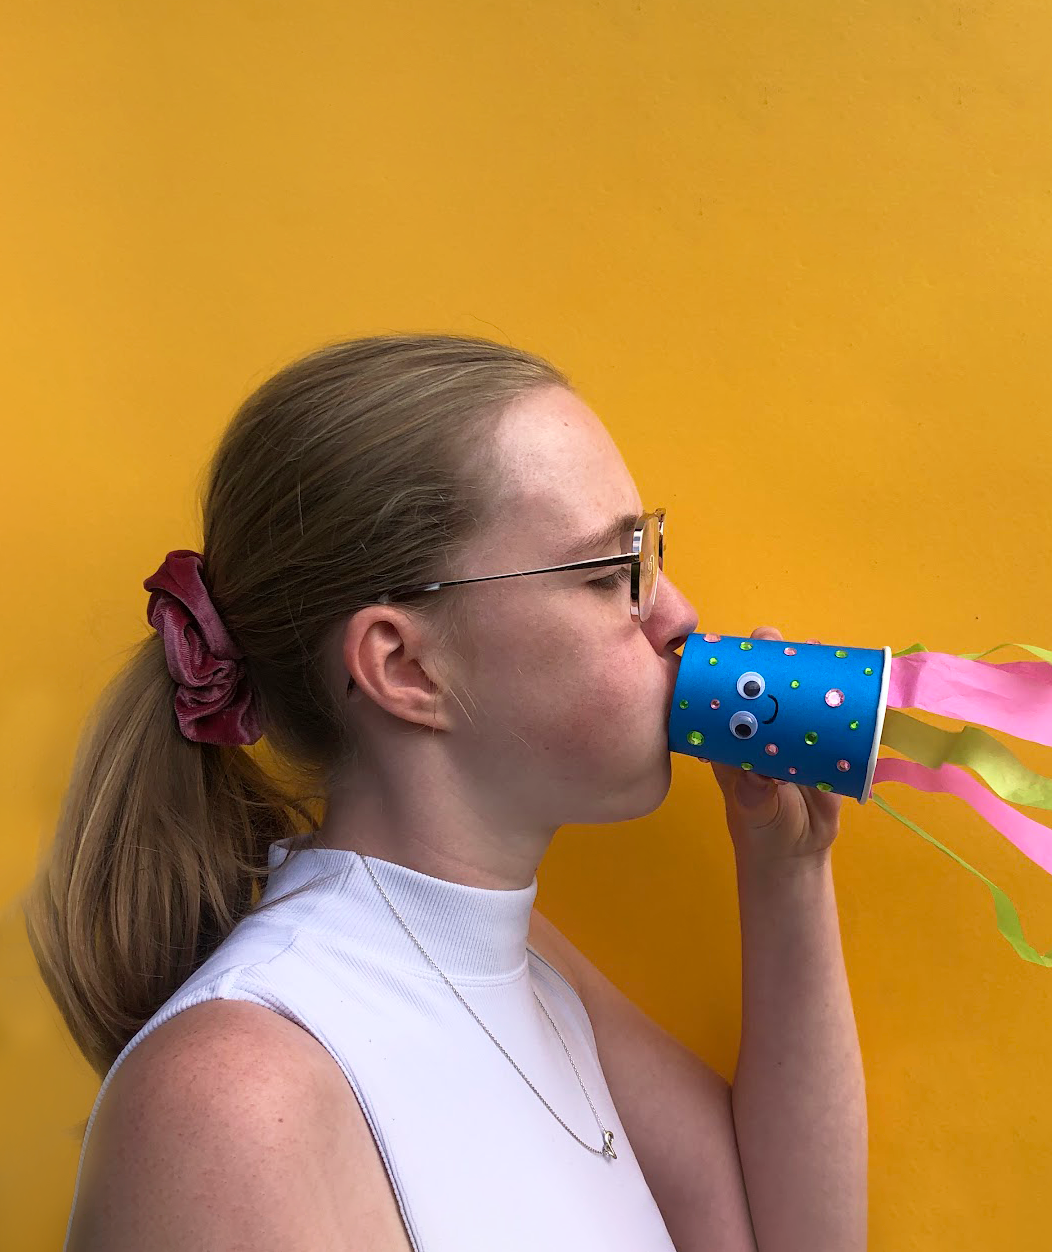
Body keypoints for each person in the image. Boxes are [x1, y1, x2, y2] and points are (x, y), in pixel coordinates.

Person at [24, 333, 867, 1251]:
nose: (676, 615)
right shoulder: (231, 1101)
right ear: (404, 666)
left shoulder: (515, 961)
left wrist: (788, 866)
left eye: (650, 552)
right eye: (605, 573)